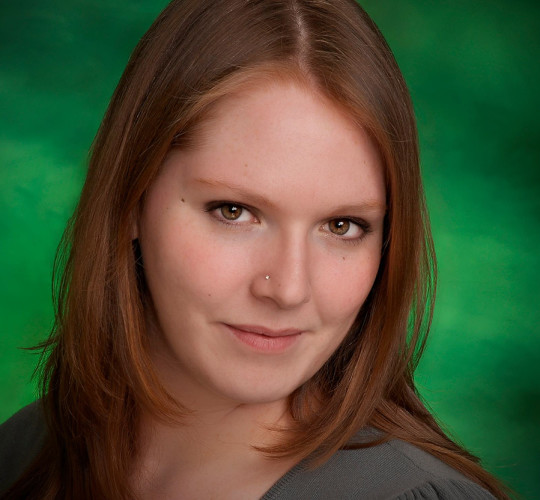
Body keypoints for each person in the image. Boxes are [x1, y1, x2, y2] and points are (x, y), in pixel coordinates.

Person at [0, 0, 510, 498]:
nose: (288, 289)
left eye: (342, 225)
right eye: (234, 212)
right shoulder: (19, 457)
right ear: (132, 198)